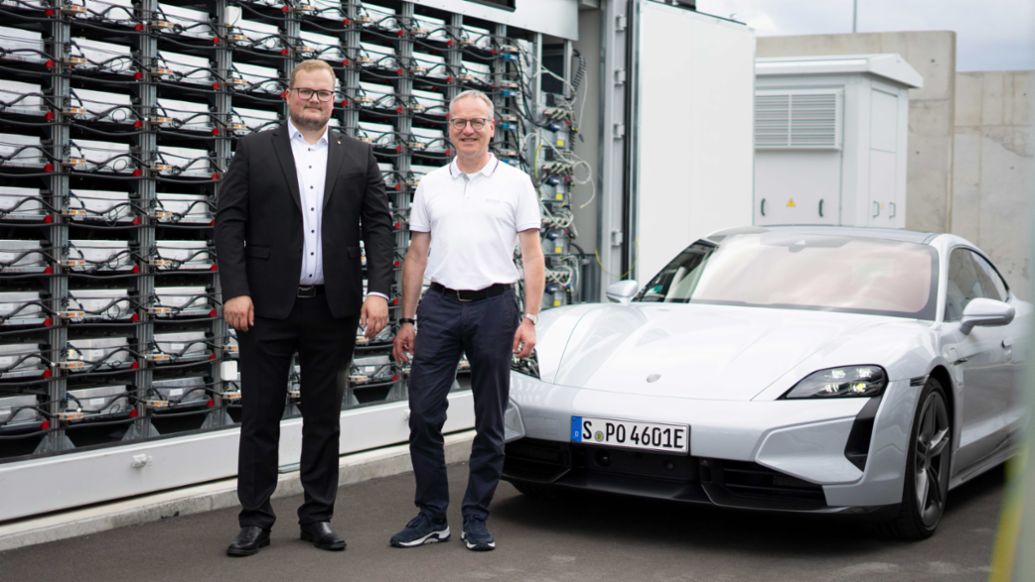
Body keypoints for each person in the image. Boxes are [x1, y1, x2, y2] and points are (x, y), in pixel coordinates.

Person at [214, 59, 394, 557]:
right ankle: (255, 519)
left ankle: (317, 515)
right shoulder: (255, 149)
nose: (315, 100)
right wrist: (235, 290)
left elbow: (379, 227)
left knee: (323, 418)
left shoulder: (358, 154)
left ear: (335, 100)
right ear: (288, 95)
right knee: (260, 417)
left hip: (332, 309)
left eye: (323, 93)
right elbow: (229, 223)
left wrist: (378, 292)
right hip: (265, 308)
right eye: (306, 91)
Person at [390, 89, 545, 552]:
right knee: (423, 415)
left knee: (489, 420)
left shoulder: (516, 183)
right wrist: (406, 318)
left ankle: (476, 515)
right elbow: (417, 255)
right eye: (459, 122)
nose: (468, 129)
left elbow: (532, 256)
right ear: (449, 129)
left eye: (477, 121)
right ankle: (432, 515)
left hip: (495, 307)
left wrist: (530, 318)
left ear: (492, 128)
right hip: (439, 307)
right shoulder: (431, 184)